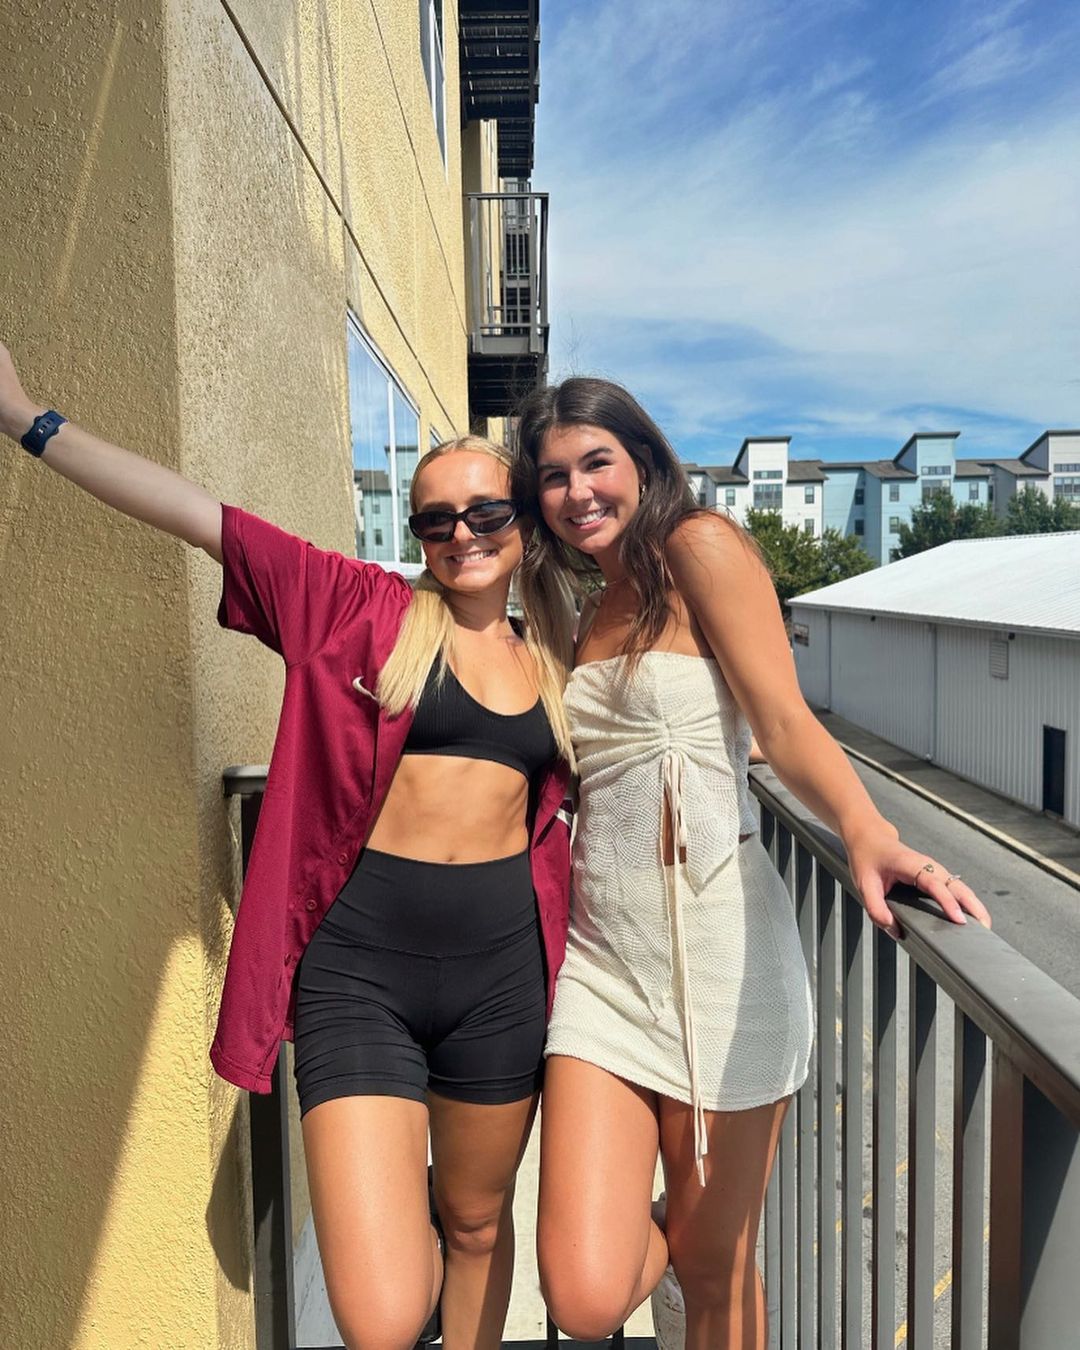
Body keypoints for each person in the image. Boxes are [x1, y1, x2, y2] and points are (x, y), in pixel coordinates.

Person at [0, 339, 577, 1350]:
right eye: (435, 520)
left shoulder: (562, 660)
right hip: (359, 974)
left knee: (479, 1225)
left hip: (503, 979)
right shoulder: (358, 609)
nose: (462, 534)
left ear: (524, 522)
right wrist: (26, 419)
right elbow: (201, 518)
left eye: (487, 513)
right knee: (381, 1314)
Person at [511, 376, 991, 1350]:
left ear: (644, 461)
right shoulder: (580, 610)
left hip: (724, 958)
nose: (578, 492)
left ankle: (696, 1250)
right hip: (603, 967)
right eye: (554, 476)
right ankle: (685, 1244)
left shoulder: (700, 547)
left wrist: (866, 830)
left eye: (596, 462)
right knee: (584, 1295)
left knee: (717, 1273)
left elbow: (782, 719)